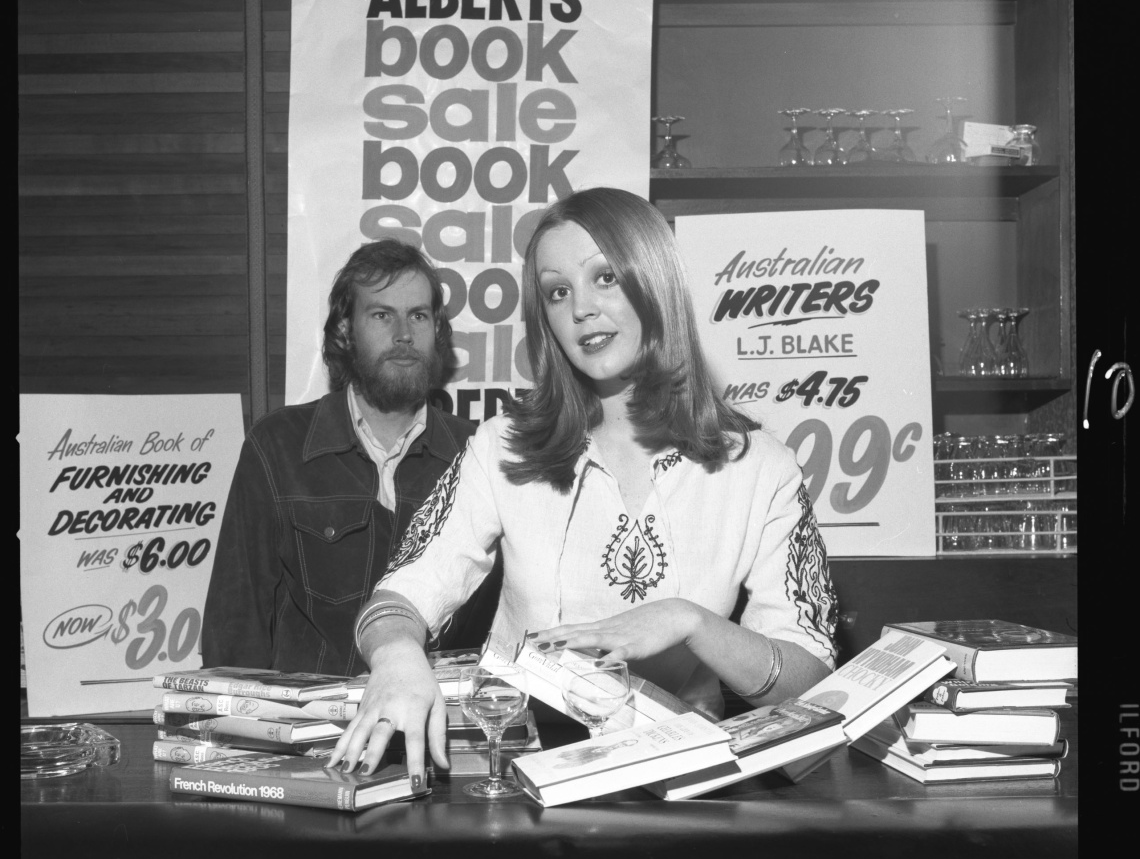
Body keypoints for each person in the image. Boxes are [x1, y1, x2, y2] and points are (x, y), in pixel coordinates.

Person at [328, 187, 838, 788]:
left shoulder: (761, 468)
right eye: (557, 292)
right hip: (521, 789)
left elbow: (815, 690)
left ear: (655, 283)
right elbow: (401, 595)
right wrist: (395, 656)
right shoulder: (502, 447)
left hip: (687, 800)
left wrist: (690, 622)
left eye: (605, 278)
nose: (581, 310)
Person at [202, 239, 498, 675]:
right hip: (312, 734)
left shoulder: (477, 455)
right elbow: (235, 628)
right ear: (344, 330)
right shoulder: (279, 446)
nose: (403, 335)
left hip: (435, 728)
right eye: (382, 315)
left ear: (437, 330)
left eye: (418, 315)